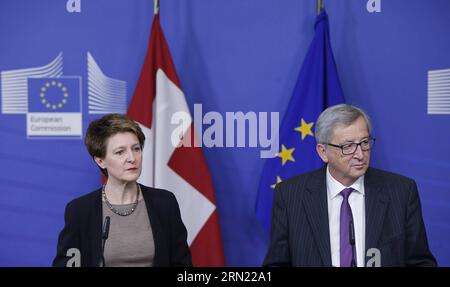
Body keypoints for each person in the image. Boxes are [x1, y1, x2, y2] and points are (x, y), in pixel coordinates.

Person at [263, 104, 436, 267]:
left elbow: (420, 262)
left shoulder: (401, 192)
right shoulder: (290, 195)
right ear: (323, 152)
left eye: (365, 143)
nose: (360, 154)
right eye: (348, 146)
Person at [53, 113, 192, 267]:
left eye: (136, 149)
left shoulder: (164, 202)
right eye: (120, 152)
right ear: (101, 161)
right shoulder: (80, 211)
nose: (132, 158)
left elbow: (182, 265)